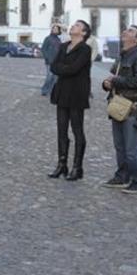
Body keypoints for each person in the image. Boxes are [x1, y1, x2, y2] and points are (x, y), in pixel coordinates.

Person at [102, 25, 137, 193]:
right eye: (126, 30)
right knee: (120, 146)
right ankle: (122, 176)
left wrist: (115, 81)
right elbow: (113, 78)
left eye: (131, 31)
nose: (125, 31)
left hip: (134, 107)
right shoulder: (122, 56)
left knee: (132, 148)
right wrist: (106, 84)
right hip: (118, 105)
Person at [47, 20, 93, 181]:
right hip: (62, 92)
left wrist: (63, 68)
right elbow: (53, 66)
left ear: (84, 33)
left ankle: (77, 167)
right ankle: (62, 164)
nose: (73, 26)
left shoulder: (85, 49)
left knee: (77, 130)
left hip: (77, 93)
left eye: (77, 26)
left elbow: (75, 68)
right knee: (61, 130)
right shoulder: (63, 46)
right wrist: (65, 68)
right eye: (73, 25)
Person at [40, 25, 63, 96]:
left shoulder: (59, 40)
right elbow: (43, 49)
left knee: (55, 78)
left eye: (56, 29)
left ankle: (51, 91)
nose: (55, 30)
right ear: (52, 30)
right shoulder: (48, 38)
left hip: (57, 62)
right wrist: (47, 57)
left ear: (59, 31)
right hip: (49, 61)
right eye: (54, 29)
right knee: (49, 77)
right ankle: (44, 90)